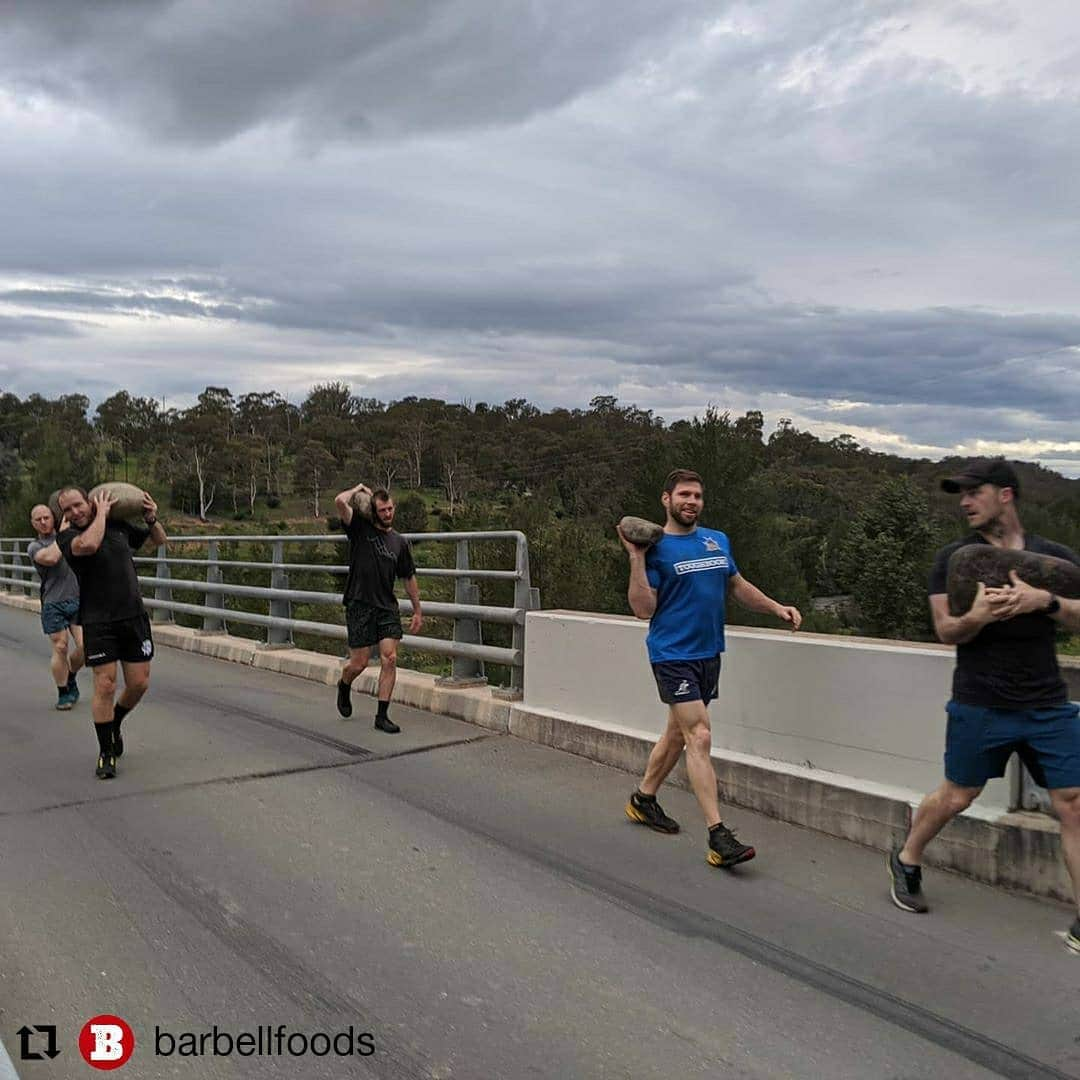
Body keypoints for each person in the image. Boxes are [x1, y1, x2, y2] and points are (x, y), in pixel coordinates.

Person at [887, 458, 1080, 953]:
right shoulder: (954, 559)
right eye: (961, 494)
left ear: (1007, 495)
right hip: (981, 701)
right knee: (957, 796)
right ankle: (908, 857)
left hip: (1047, 704)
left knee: (1073, 803)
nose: (965, 502)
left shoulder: (1051, 559)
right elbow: (945, 629)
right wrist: (974, 615)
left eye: (975, 492)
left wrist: (1047, 603)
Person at [617, 468, 802, 868]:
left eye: (697, 496)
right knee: (698, 735)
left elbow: (736, 585)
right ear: (666, 499)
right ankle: (719, 836)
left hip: (707, 653)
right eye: (684, 494)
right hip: (672, 654)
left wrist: (775, 607)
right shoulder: (656, 548)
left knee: (677, 734)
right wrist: (635, 558)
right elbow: (642, 609)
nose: (691, 502)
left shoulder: (716, 540)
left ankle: (643, 799)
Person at [56, 486, 167, 779]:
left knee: (139, 684)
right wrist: (101, 515)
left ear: (89, 500)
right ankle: (106, 752)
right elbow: (90, 546)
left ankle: (115, 720)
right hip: (97, 620)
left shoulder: (119, 527)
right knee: (105, 685)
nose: (74, 512)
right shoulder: (67, 537)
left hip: (133, 617)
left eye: (77, 505)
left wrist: (152, 519)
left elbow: (160, 541)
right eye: (67, 509)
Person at [334, 482, 423, 733]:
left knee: (390, 658)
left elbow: (408, 577)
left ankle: (381, 715)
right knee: (360, 663)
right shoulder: (359, 529)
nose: (387, 514)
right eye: (382, 510)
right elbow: (340, 502)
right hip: (359, 602)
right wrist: (357, 489)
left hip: (386, 606)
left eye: (390, 509)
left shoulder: (399, 543)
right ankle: (344, 683)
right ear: (375, 511)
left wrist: (417, 609)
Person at [27, 502, 84, 709]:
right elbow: (51, 558)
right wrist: (62, 536)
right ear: (33, 524)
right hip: (53, 602)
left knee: (87, 646)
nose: (43, 522)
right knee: (60, 646)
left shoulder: (71, 535)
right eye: (38, 519)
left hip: (78, 599)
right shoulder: (35, 547)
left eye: (46, 517)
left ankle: (70, 675)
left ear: (54, 517)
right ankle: (63, 693)